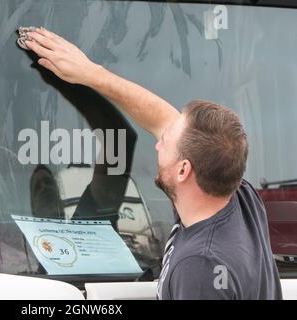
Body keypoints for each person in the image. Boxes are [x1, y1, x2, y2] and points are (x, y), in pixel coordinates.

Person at [22, 27, 283, 300]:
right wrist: (89, 73)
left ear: (184, 170)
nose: (158, 142)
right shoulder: (239, 198)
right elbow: (161, 117)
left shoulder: (201, 268)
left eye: (165, 141)